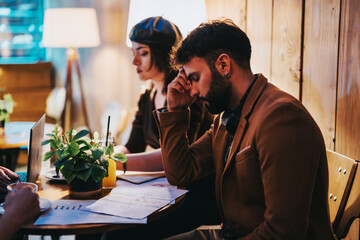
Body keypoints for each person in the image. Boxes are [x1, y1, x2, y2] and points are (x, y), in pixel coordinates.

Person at [156, 19, 335, 239]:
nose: (191, 91)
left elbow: (283, 231)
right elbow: (181, 173)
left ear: (223, 65)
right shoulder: (227, 118)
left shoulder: (282, 118)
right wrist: (174, 110)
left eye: (195, 78)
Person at [105, 17, 220, 239]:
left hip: (192, 195)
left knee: (119, 231)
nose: (135, 61)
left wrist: (114, 163)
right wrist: (104, 155)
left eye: (143, 52)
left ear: (164, 54)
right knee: (99, 218)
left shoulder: (187, 97)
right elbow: (132, 145)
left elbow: (178, 157)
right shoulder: (147, 97)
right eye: (133, 52)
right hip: (164, 189)